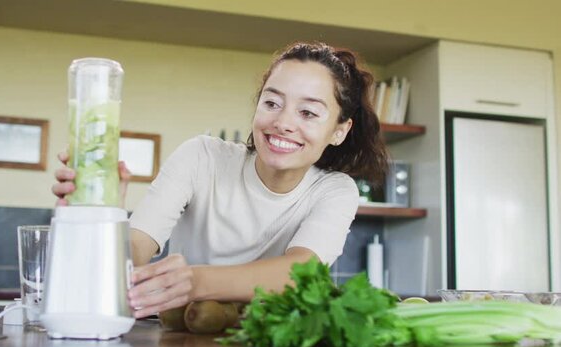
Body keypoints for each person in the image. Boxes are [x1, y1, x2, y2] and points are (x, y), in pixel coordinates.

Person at [52, 42, 388, 319]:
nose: (283, 122)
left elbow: (300, 273)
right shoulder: (201, 157)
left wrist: (193, 281)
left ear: (340, 131)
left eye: (308, 113)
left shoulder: (334, 191)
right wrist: (102, 211)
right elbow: (135, 249)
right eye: (272, 102)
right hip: (182, 341)